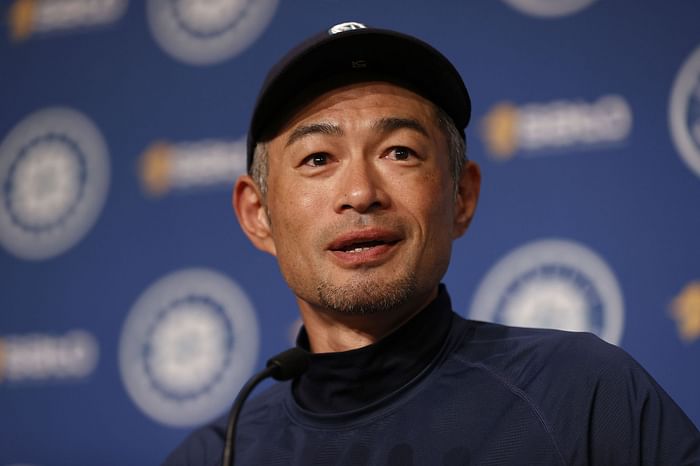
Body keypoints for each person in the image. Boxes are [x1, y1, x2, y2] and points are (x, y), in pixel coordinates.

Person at [163, 22, 700, 465]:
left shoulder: (582, 393)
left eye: (399, 152)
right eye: (318, 159)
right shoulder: (213, 456)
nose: (360, 193)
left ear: (461, 196)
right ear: (258, 215)